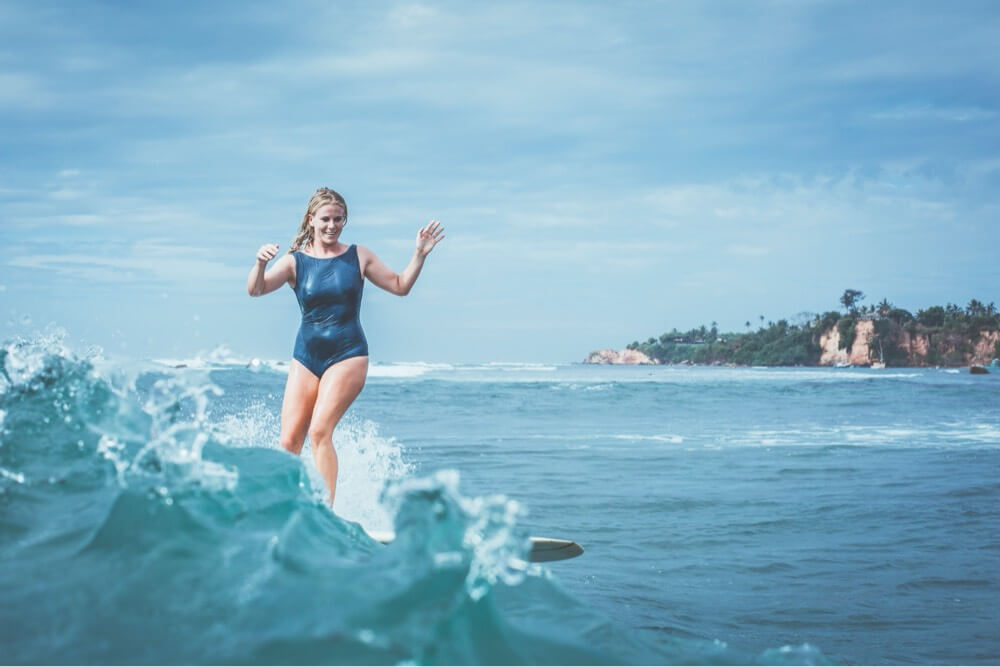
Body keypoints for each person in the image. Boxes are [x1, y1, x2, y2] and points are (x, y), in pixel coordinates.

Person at [246, 187, 444, 505]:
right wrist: (258, 263)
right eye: (326, 219)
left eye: (339, 219)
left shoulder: (358, 256)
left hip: (348, 353)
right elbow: (256, 290)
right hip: (306, 356)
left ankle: (325, 513)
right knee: (288, 442)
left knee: (319, 432)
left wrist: (419, 254)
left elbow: (399, 286)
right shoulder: (294, 262)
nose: (332, 225)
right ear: (312, 220)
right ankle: (283, 507)